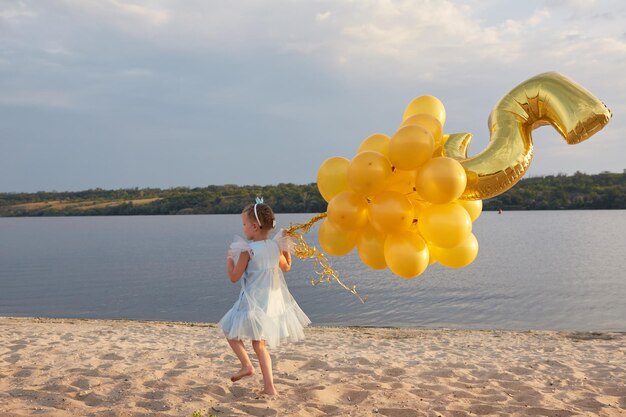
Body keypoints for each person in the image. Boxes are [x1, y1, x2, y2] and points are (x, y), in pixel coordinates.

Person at [218, 200, 311, 396]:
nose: (243, 228)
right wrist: (284, 248)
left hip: (251, 300)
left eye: (244, 224)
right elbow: (286, 267)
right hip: (270, 302)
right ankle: (269, 388)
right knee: (259, 345)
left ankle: (246, 366)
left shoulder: (247, 251)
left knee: (229, 331)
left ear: (254, 226)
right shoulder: (274, 247)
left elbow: (234, 277)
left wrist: (228, 260)